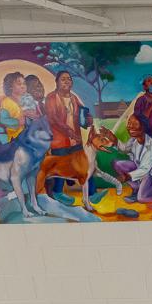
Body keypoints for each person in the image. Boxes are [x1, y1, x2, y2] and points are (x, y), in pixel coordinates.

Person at [43, 71, 88, 205]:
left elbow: (82, 115)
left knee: (82, 164)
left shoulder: (74, 98)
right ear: (56, 82)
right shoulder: (51, 98)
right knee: (61, 167)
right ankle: (58, 193)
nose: (67, 81)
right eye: (63, 79)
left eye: (69, 79)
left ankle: (91, 193)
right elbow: (53, 119)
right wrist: (69, 132)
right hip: (60, 140)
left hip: (76, 140)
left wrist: (88, 120)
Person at [112, 116, 152, 208]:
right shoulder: (134, 139)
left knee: (141, 198)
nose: (130, 127)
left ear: (143, 127)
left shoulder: (149, 146)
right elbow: (125, 149)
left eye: (134, 124)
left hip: (151, 176)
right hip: (139, 170)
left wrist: (128, 176)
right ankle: (136, 189)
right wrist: (114, 140)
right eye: (129, 123)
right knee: (117, 164)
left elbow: (145, 169)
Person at [0, 72, 27, 140]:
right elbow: (3, 120)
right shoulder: (6, 102)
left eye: (24, 83)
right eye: (19, 84)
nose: (23, 86)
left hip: (30, 134)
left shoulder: (28, 99)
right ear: (10, 86)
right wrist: (17, 122)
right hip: (16, 137)